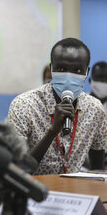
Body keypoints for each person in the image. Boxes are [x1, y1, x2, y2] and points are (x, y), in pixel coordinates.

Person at [6, 38, 106, 175]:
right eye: (61, 69)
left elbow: (98, 170)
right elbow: (16, 168)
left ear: (86, 72)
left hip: (74, 194)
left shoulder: (95, 108)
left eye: (77, 70)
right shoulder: (24, 105)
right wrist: (52, 132)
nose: (69, 76)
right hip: (32, 192)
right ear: (52, 68)